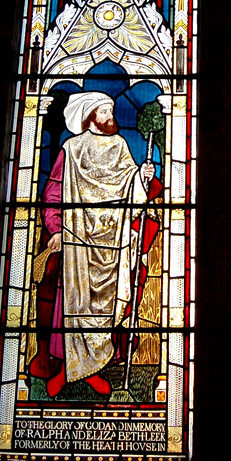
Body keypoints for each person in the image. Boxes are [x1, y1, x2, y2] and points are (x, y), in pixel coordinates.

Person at [29, 91, 162, 397]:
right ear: (90, 117)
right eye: (104, 111)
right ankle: (68, 370)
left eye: (111, 110)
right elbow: (53, 192)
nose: (110, 116)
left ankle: (94, 368)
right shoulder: (72, 149)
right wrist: (54, 229)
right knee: (73, 304)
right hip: (77, 238)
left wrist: (143, 177)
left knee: (105, 308)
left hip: (112, 240)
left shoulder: (120, 147)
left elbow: (134, 190)